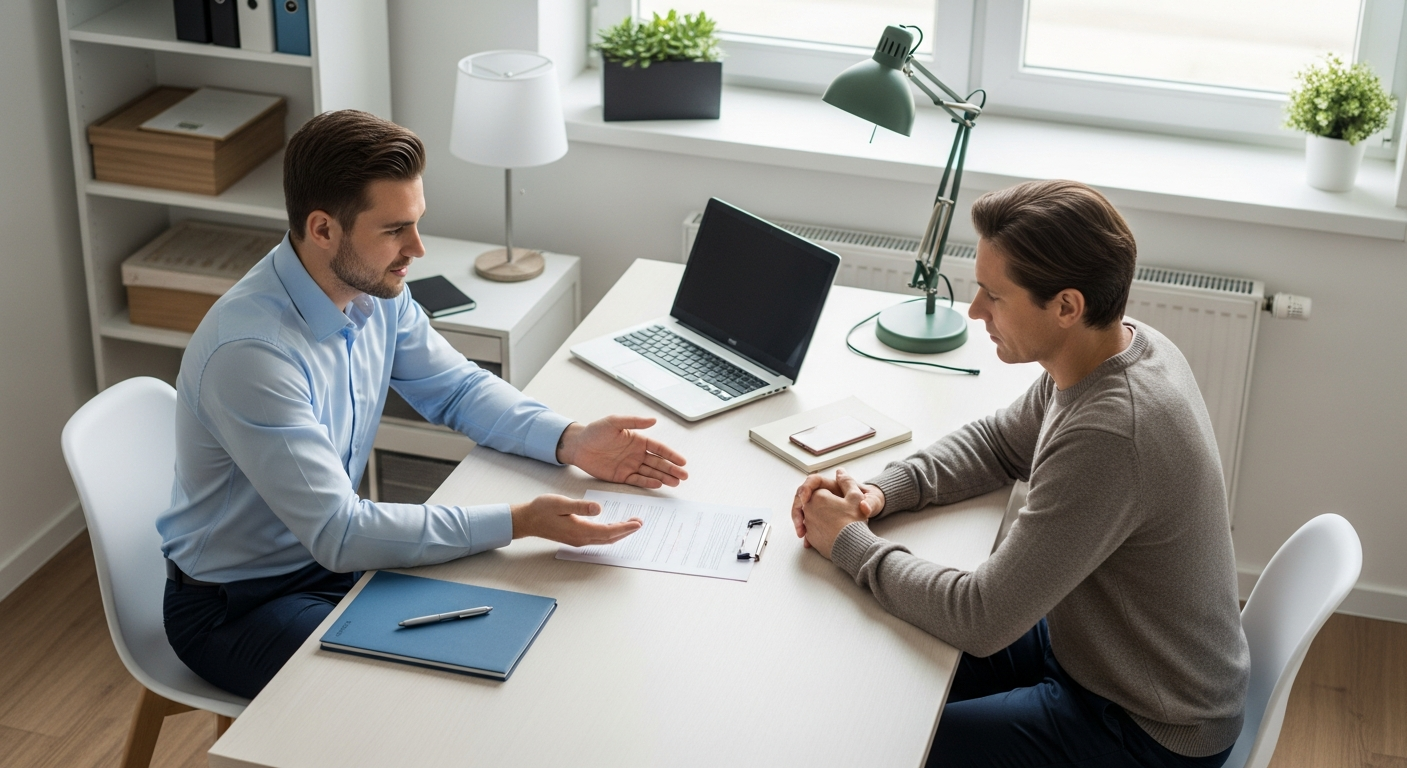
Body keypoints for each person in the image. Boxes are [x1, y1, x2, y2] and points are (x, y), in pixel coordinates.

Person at [157, 110, 688, 699]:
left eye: (416, 223)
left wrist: (570, 440)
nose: (417, 248)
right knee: (421, 694)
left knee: (521, 629)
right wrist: (520, 521)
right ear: (323, 229)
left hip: (333, 564)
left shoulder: (376, 293)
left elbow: (456, 388)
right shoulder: (253, 353)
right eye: (394, 230)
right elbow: (339, 531)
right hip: (238, 606)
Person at [791, 180, 1248, 768]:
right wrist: (880, 492)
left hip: (1143, 724)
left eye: (994, 295)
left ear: (1066, 307)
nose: (975, 310)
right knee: (875, 674)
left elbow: (981, 617)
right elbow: (1000, 444)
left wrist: (848, 542)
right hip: (1091, 647)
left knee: (883, 742)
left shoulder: (1112, 433)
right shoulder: (1112, 349)